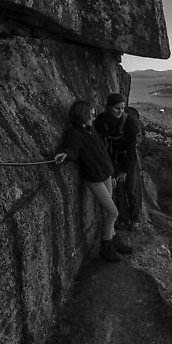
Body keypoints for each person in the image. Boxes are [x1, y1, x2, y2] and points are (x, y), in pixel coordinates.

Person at [54, 100, 132, 263]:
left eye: (93, 113)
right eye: (90, 113)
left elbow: (102, 152)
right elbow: (72, 148)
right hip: (94, 179)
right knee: (113, 212)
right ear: (82, 114)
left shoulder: (90, 130)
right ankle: (106, 246)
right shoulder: (74, 133)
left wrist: (111, 173)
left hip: (105, 175)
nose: (93, 116)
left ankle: (113, 238)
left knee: (108, 212)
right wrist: (65, 154)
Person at [94, 93, 143, 230]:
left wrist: (124, 171)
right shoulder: (102, 120)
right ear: (109, 108)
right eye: (117, 108)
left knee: (132, 189)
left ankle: (134, 219)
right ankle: (123, 218)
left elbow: (132, 149)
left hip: (129, 157)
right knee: (119, 190)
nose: (120, 111)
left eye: (122, 108)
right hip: (113, 158)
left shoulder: (128, 122)